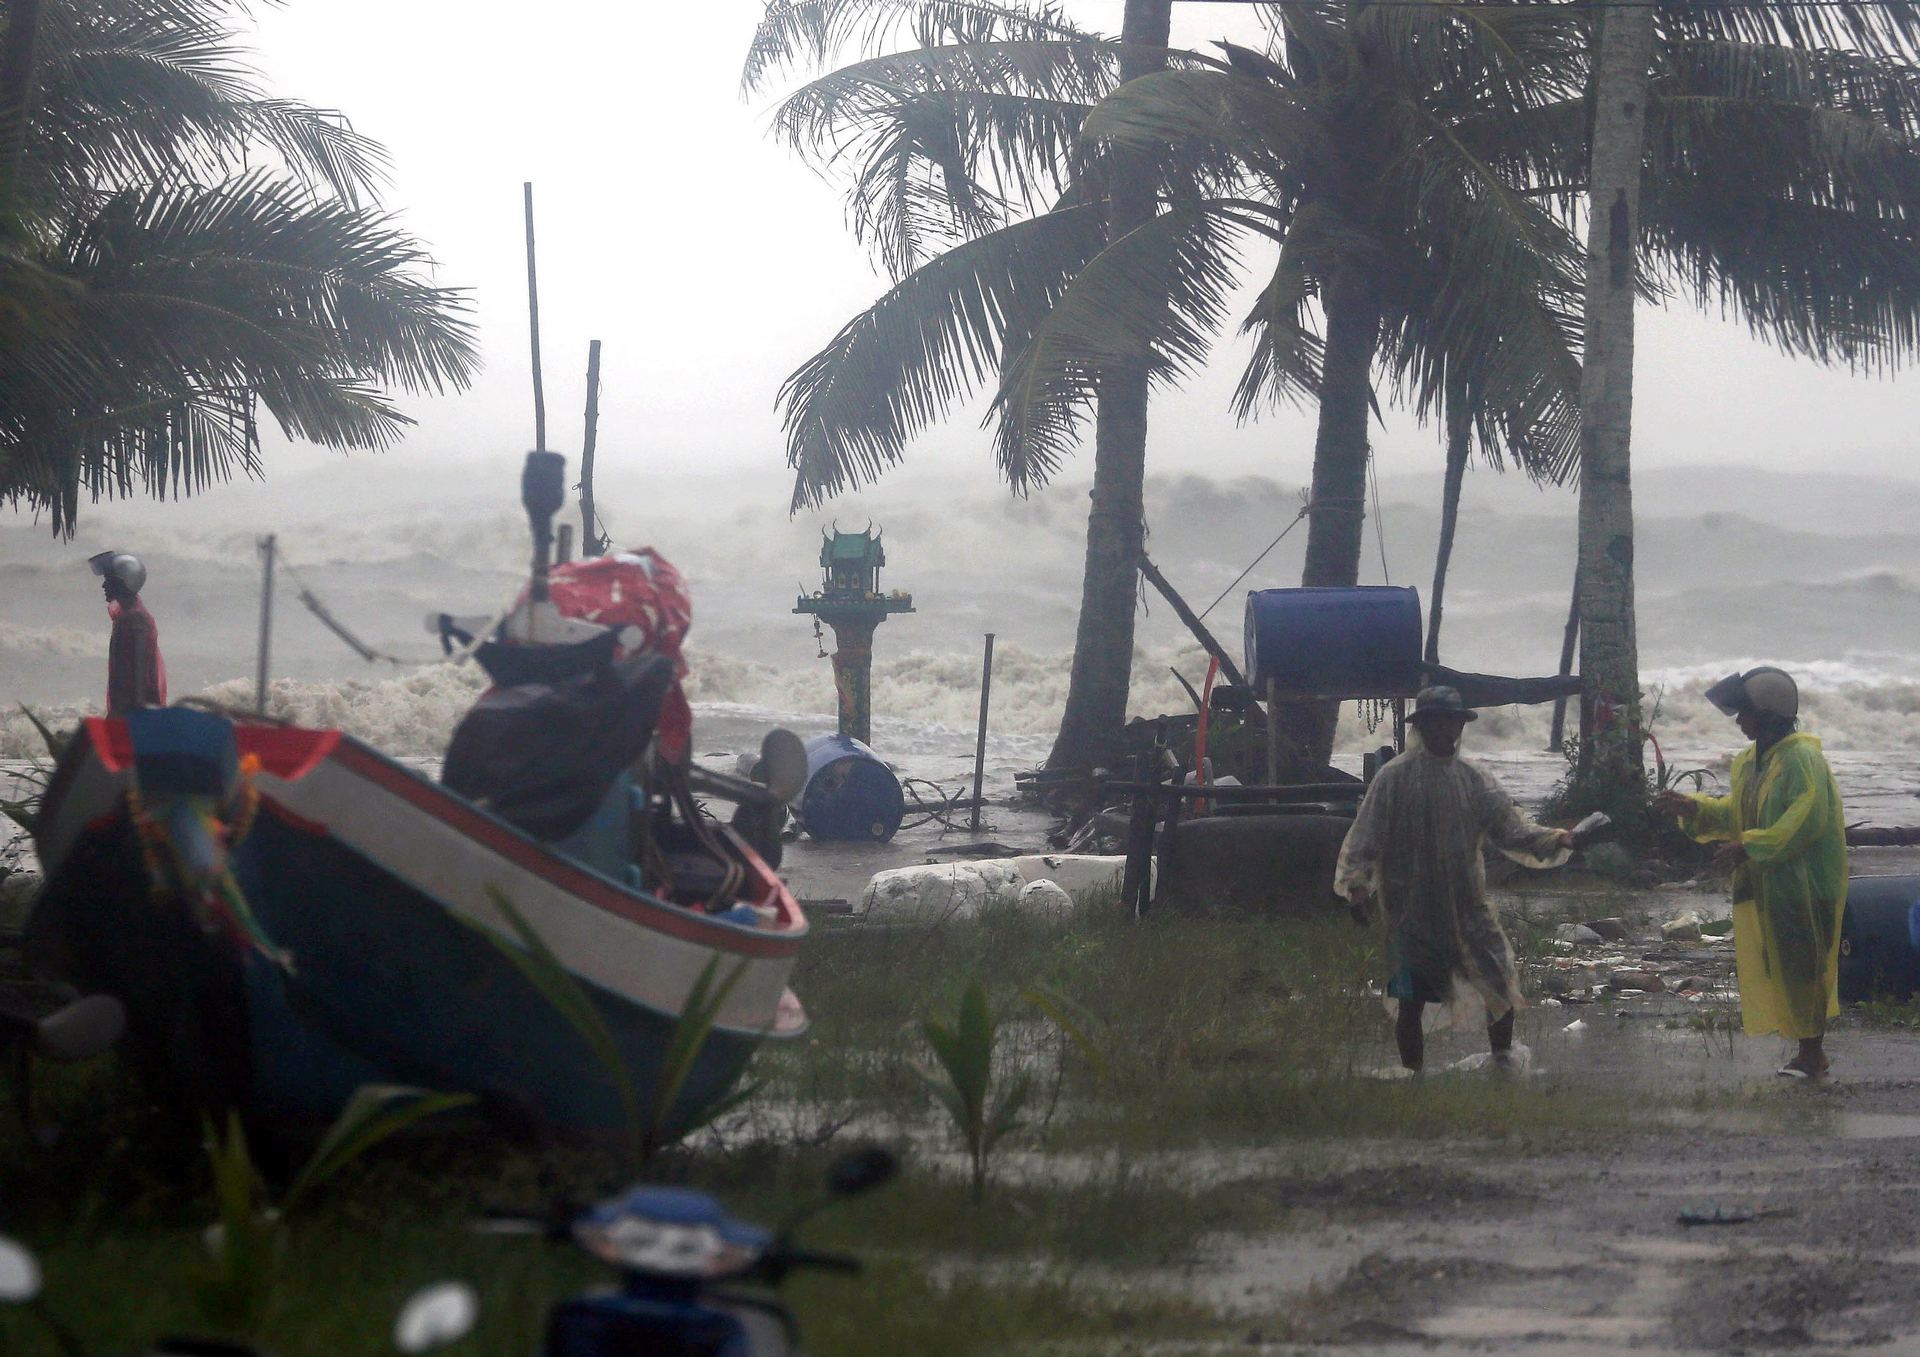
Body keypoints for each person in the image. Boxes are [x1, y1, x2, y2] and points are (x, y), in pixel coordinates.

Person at [1335, 686, 1574, 1073]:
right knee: (1410, 998)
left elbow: (1510, 829)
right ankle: (1413, 1074)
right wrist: (1357, 887)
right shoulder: (1394, 777)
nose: (1446, 729)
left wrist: (1554, 838)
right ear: (1423, 725)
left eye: (1452, 721)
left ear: (1460, 725)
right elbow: (1366, 836)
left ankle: (1502, 1062)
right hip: (1410, 907)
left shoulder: (1474, 778)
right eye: (1437, 721)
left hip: (1468, 904)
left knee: (1498, 983)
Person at [1655, 667, 1846, 1080]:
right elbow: (1738, 813)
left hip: (1806, 882)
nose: (1740, 721)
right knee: (1781, 964)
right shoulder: (1749, 762)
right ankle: (1806, 1051)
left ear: (1770, 713)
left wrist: (1752, 846)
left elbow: (1806, 819)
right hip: (1769, 882)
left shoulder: (1802, 759)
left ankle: (1812, 1055)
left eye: (1745, 713)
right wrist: (1696, 808)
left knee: (1805, 965)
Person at [89, 551, 167, 716]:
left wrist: (136, 711)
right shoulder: (126, 615)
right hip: (127, 705)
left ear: (122, 584)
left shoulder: (135, 619)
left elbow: (140, 667)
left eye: (108, 581)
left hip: (134, 706)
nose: (104, 586)